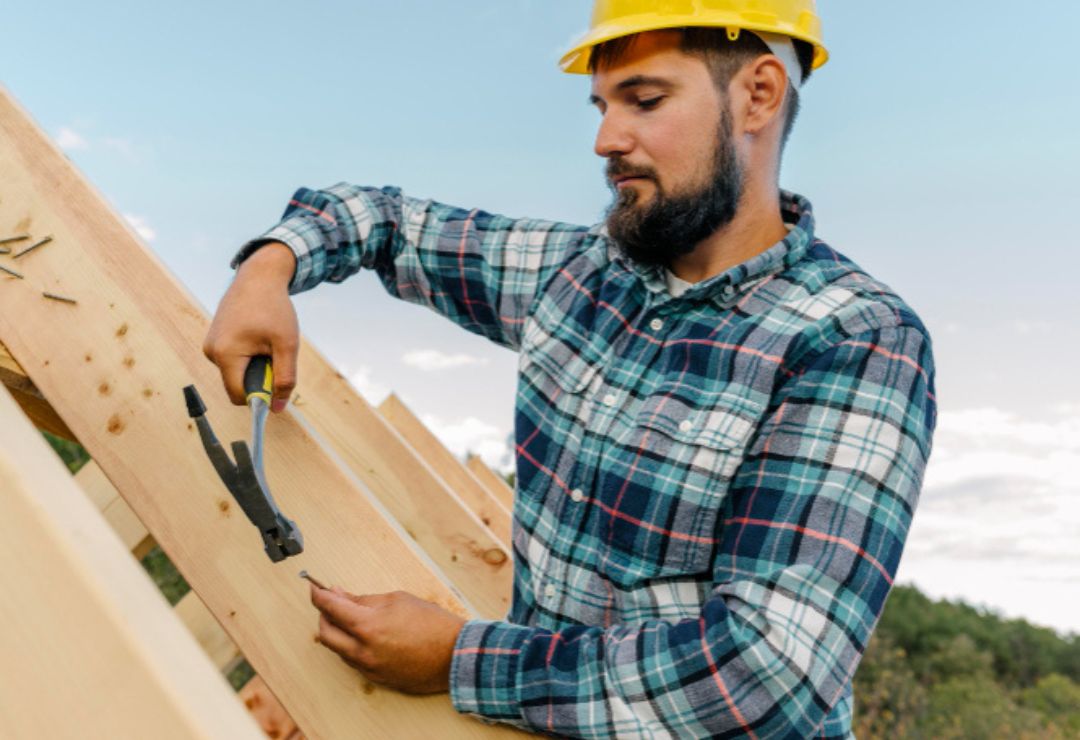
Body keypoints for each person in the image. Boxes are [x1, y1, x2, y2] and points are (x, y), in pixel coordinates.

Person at [203, 2, 936, 737]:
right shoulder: (580, 273)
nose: (605, 139)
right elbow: (380, 218)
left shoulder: (855, 339)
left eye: (645, 100)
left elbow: (765, 677)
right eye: (602, 105)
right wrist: (271, 268)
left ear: (759, 94)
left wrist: (461, 659)